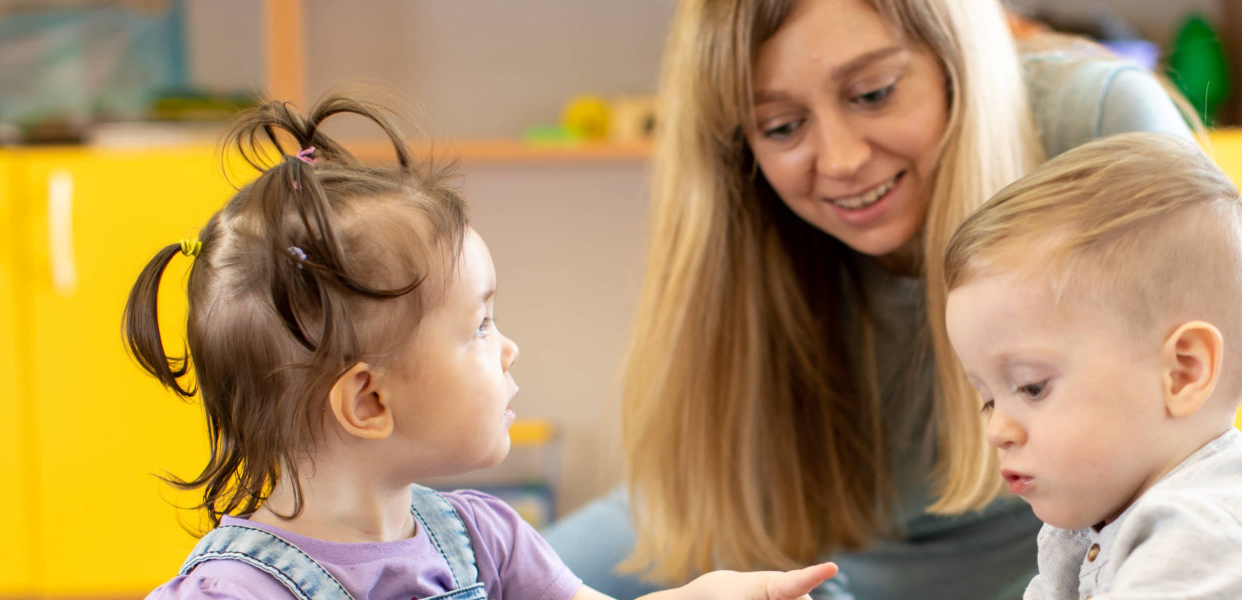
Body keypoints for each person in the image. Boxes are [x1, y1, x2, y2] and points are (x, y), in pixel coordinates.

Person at [543, 1, 1193, 598]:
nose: (843, 158)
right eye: (781, 126)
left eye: (874, 94)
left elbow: (1185, 475)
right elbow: (686, 504)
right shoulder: (757, 233)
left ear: (951, 58)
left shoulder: (1101, 129)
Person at [127, 94, 837, 600]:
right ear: (370, 400)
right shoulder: (235, 590)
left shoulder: (482, 539)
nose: (510, 349)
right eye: (480, 327)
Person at [941, 133, 1242, 598]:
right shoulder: (1089, 524)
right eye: (988, 399)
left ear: (1182, 372)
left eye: (1031, 388)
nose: (997, 430)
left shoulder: (1207, 538)